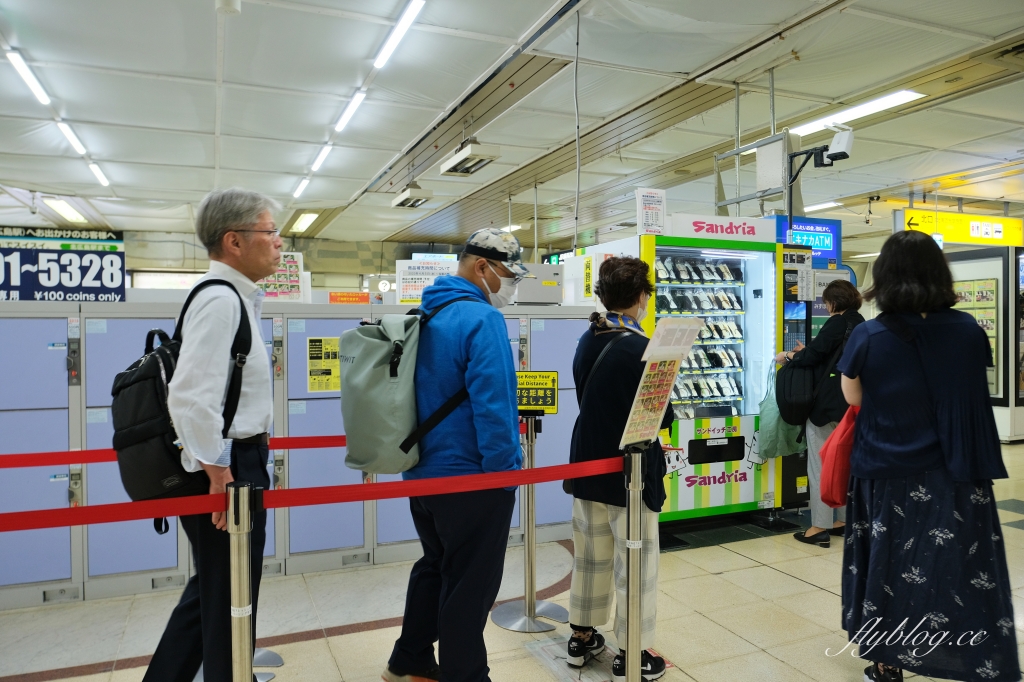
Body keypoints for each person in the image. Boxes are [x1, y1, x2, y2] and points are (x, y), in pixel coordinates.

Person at [838, 230, 1020, 682]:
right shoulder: (968, 330)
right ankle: (977, 655)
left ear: (883, 276)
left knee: (889, 562)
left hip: (887, 466)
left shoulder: (869, 334)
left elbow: (853, 396)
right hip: (957, 469)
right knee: (962, 560)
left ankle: (887, 660)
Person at [144, 189, 281, 682]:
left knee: (215, 588)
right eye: (270, 232)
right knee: (230, 595)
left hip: (229, 461)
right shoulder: (221, 301)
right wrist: (219, 472)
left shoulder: (232, 297)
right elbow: (190, 397)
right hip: (227, 466)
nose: (279, 242)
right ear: (235, 241)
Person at [383, 228, 529, 682]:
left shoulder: (425, 312)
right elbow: (494, 406)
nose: (511, 286)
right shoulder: (481, 320)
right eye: (508, 274)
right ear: (482, 267)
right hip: (472, 478)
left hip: (423, 475)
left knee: (434, 567)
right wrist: (505, 475)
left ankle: (409, 660)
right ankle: (465, 675)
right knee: (471, 584)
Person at [566, 256, 669, 682]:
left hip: (588, 460)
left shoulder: (588, 337)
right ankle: (633, 653)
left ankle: (582, 637)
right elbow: (662, 415)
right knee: (636, 562)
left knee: (591, 555)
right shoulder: (641, 346)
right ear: (642, 297)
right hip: (631, 469)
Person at [774, 280, 864, 547]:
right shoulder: (861, 322)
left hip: (826, 405)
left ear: (833, 302)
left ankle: (819, 527)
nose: (825, 307)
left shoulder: (837, 322)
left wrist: (789, 356)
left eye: (826, 302)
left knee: (820, 465)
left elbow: (814, 355)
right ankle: (843, 520)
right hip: (852, 404)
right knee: (846, 464)